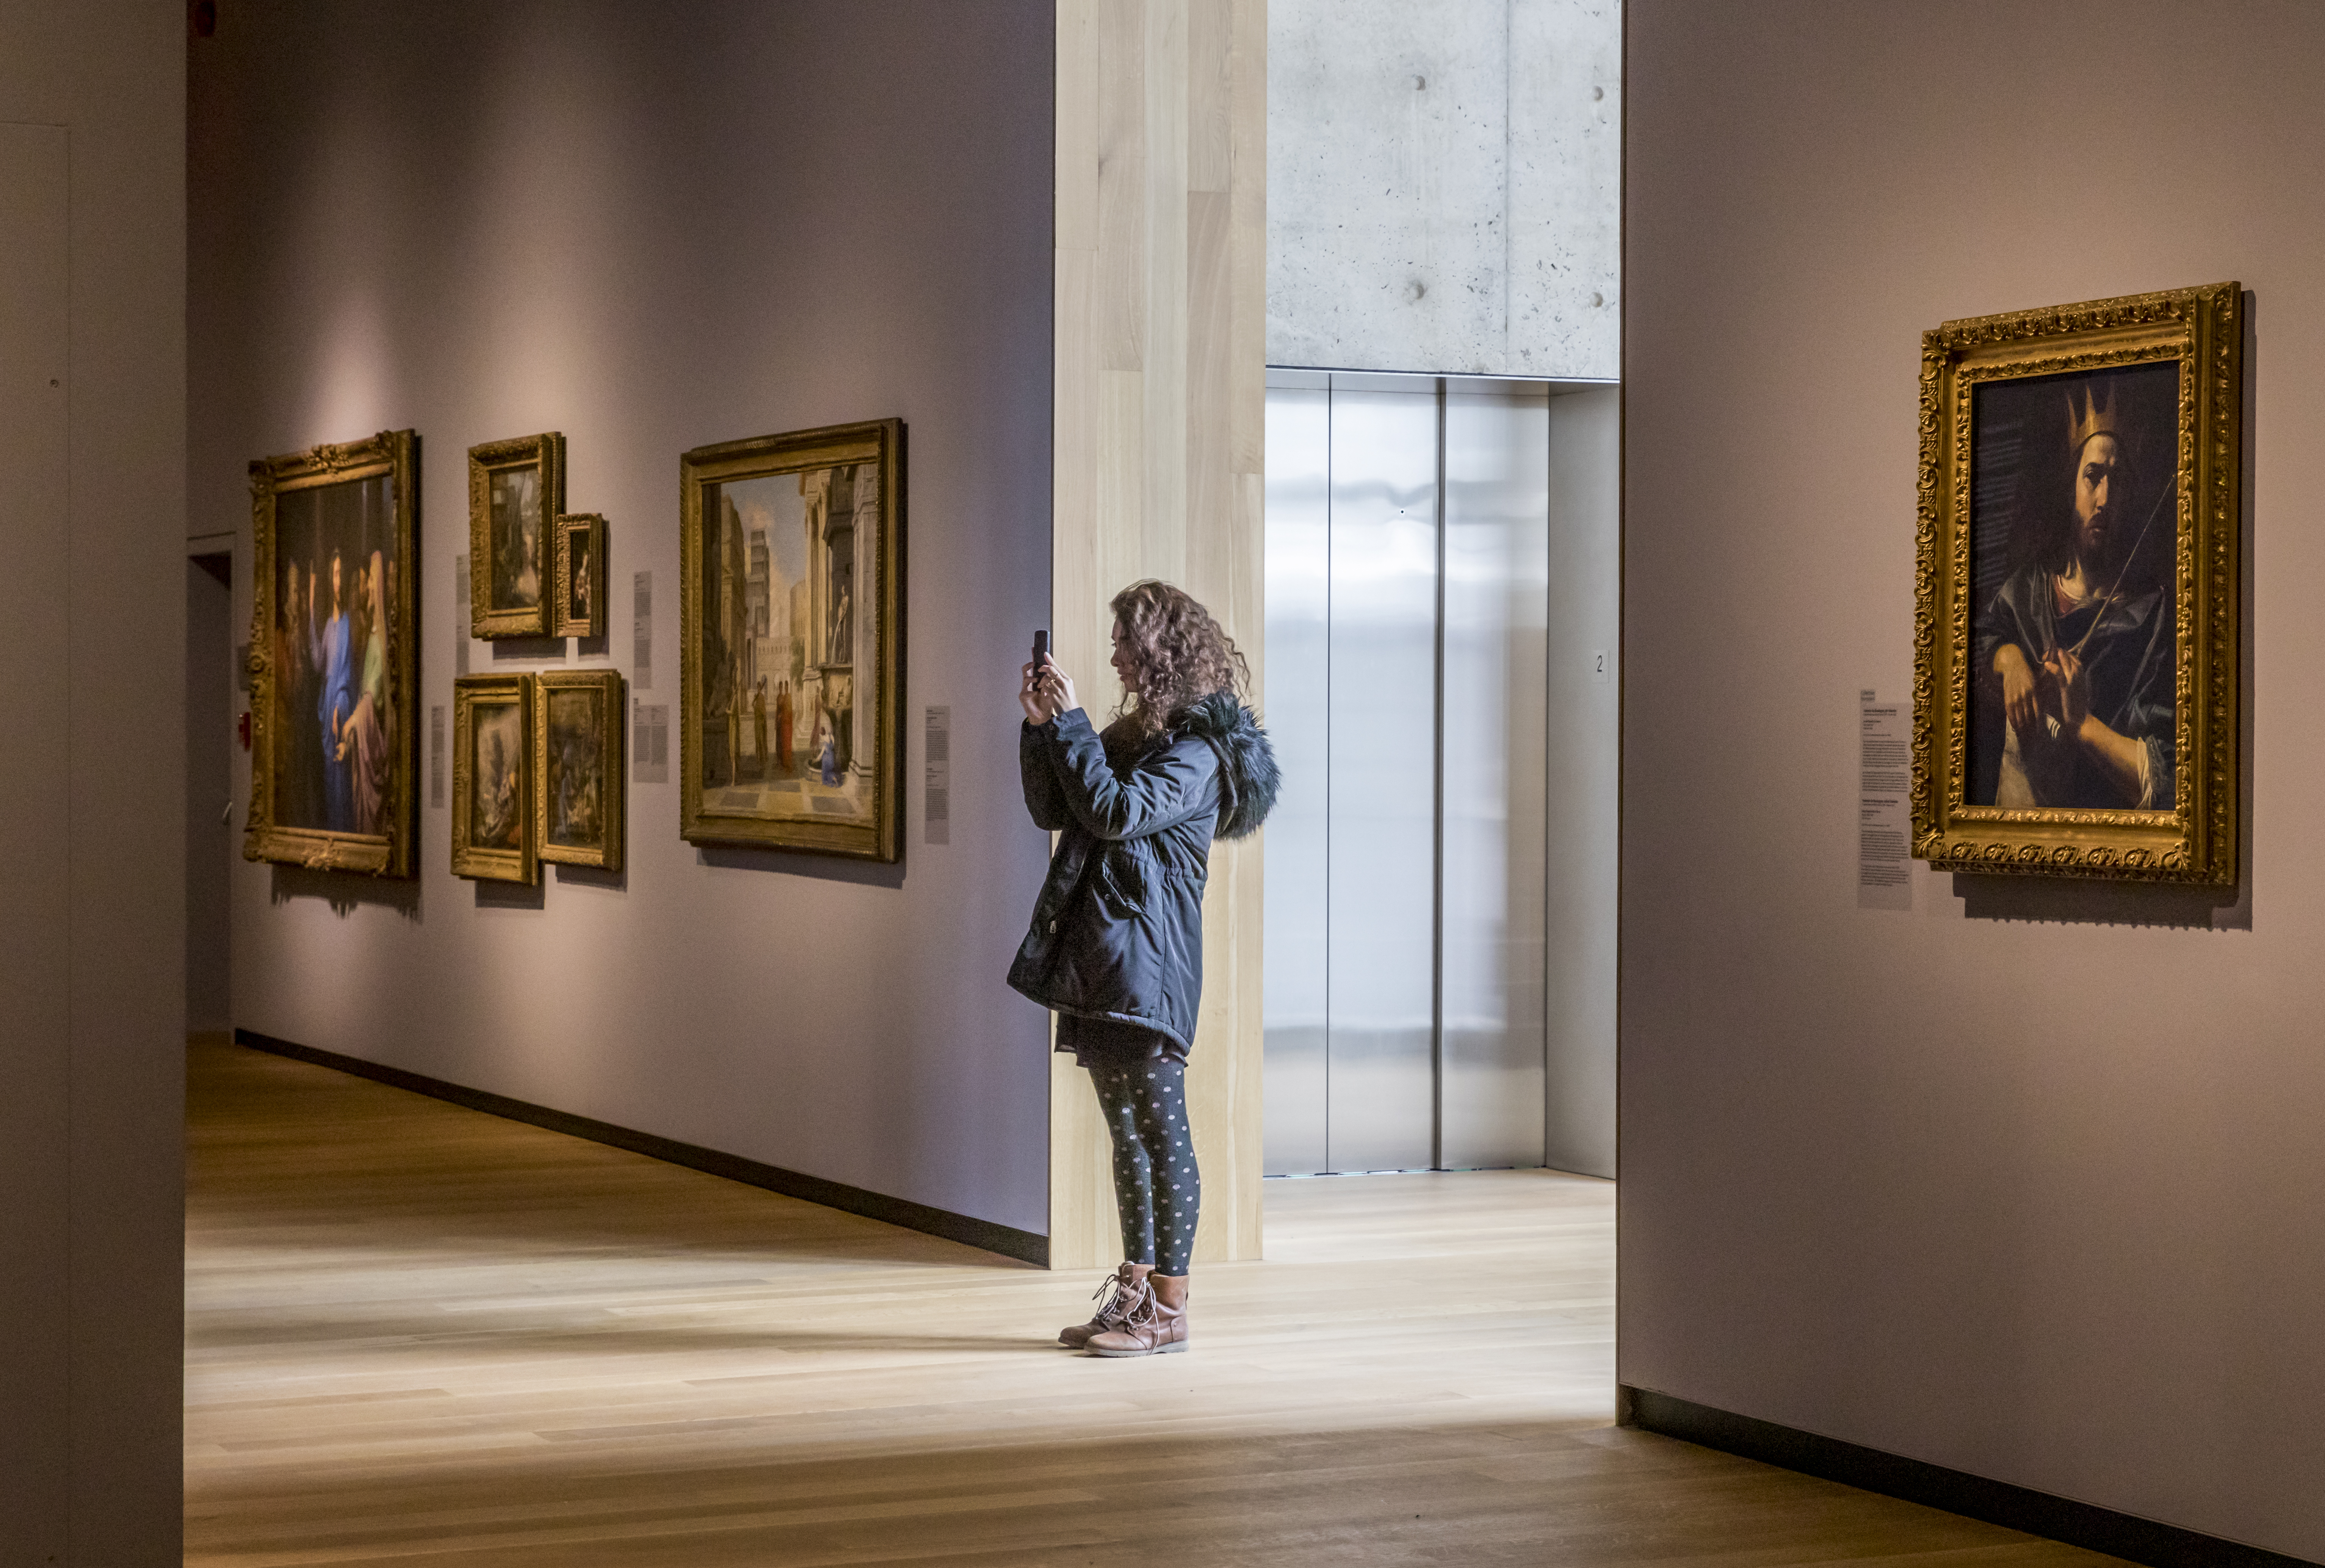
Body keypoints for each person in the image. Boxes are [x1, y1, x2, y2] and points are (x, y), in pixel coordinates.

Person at [1009, 581, 1278, 1357]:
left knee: (1161, 1129)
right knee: (1126, 1131)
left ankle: (1171, 1302)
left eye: (1128, 640)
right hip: (1103, 956)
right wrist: (1042, 730)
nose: (1118, 654)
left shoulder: (1197, 753)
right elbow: (1057, 807)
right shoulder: (1136, 736)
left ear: (1162, 650)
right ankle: (1134, 1287)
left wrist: (1071, 723)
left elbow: (1115, 813)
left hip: (1149, 966)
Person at [1972, 379, 2175, 808]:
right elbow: (1978, 642)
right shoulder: (2027, 590)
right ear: (2071, 488)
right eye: (2093, 477)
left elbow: (2166, 779)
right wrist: (2007, 658)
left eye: (2116, 482)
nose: (2104, 498)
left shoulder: (2151, 617)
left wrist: (2081, 724)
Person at [307, 550, 357, 832]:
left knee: (341, 781)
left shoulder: (349, 624)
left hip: (340, 707)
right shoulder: (329, 625)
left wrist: (340, 705)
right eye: (333, 575)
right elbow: (317, 662)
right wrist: (313, 609)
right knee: (330, 779)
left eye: (340, 574)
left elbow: (348, 674)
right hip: (328, 710)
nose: (336, 581)